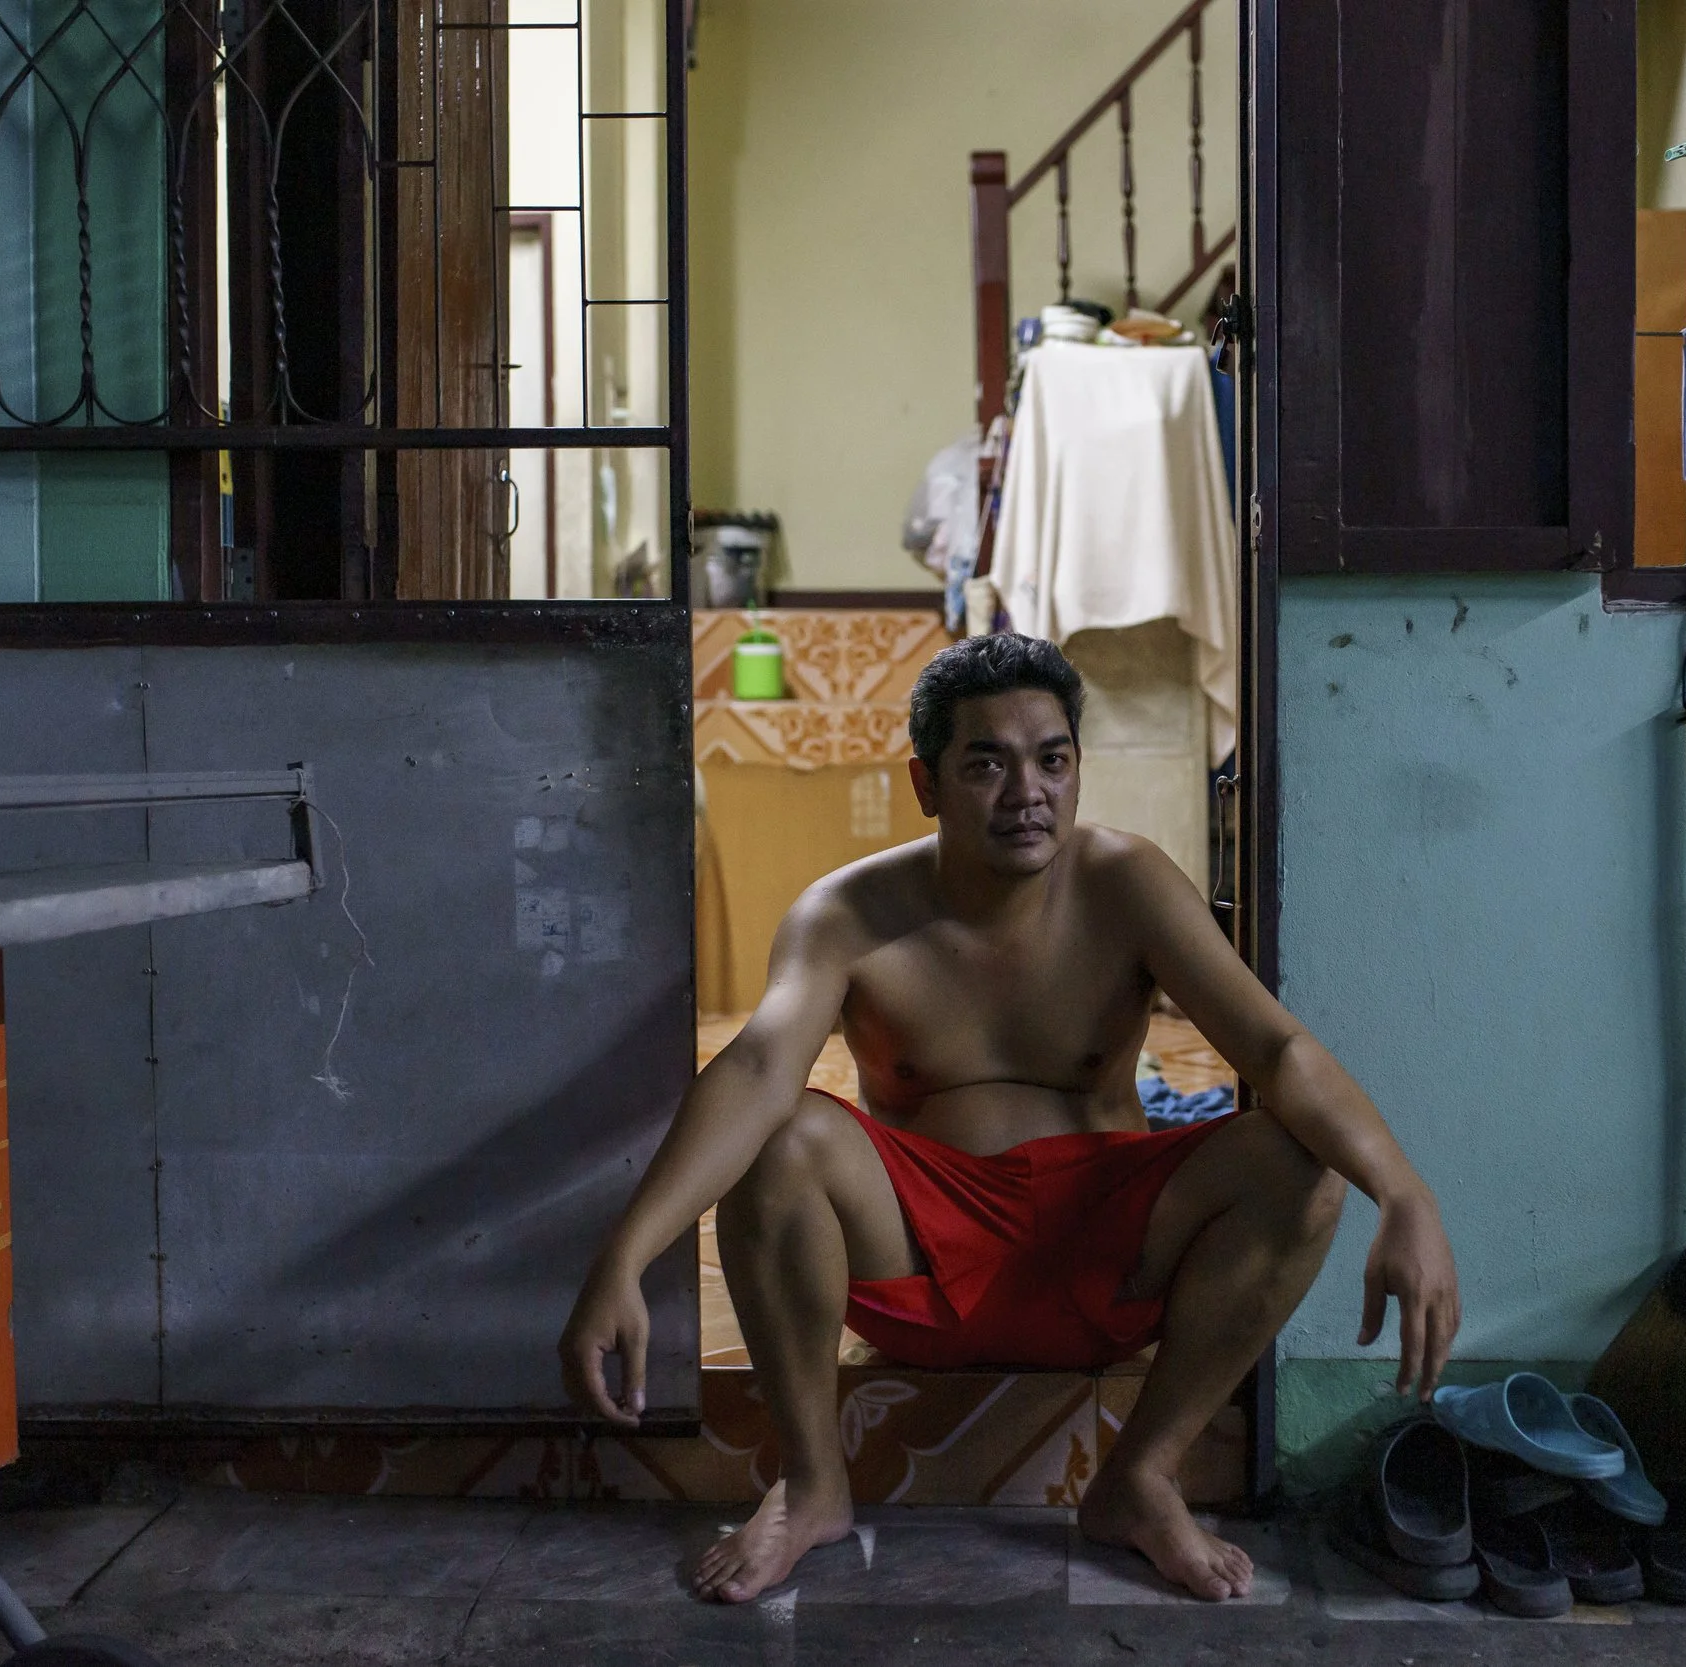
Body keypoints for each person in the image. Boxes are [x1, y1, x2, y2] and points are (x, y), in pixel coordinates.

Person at [560, 634, 1459, 1604]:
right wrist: (627, 1253)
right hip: (919, 1265)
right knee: (786, 1139)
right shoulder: (846, 911)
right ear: (926, 782)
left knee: (1298, 1165)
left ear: (1077, 769)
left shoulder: (1126, 881)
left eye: (1052, 758)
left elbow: (1277, 1052)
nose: (1026, 789)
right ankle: (814, 1481)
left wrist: (1404, 1193)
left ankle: (1139, 1474)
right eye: (986, 761)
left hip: (1102, 1254)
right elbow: (757, 1065)